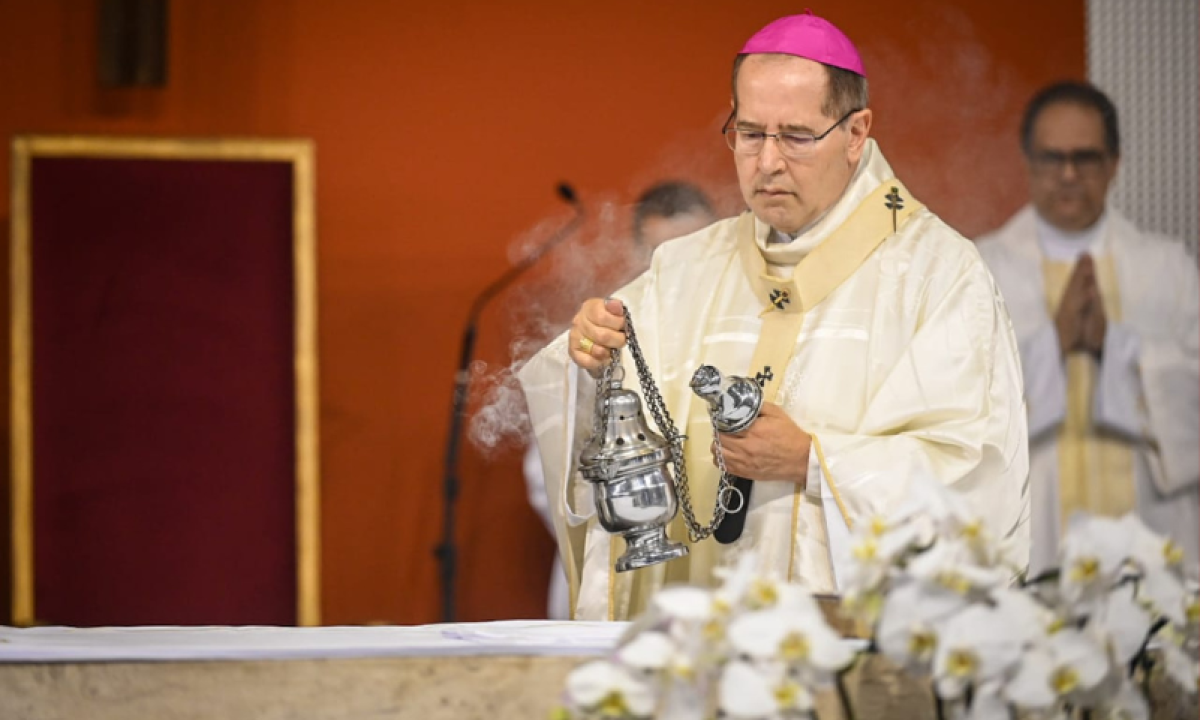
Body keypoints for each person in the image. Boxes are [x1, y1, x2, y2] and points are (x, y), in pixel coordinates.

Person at [520, 11, 1030, 621]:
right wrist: (591, 358)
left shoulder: (938, 276)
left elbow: (977, 478)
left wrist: (813, 460)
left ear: (856, 132)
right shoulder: (686, 268)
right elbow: (606, 438)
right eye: (750, 133)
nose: (766, 163)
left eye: (795, 136)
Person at [976, 81, 1199, 573]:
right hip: (1031, 542)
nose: (1069, 174)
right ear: (1028, 161)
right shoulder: (981, 269)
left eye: (1087, 158)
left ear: (1114, 163)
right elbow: (959, 408)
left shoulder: (1168, 268)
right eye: (1052, 158)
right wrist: (1051, 346)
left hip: (1153, 528)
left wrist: (1116, 348)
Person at [523, 182, 717, 619]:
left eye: (694, 252)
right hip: (617, 558)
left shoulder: (737, 330)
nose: (679, 270)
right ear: (636, 251)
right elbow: (547, 473)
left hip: (713, 562)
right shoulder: (601, 330)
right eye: (663, 254)